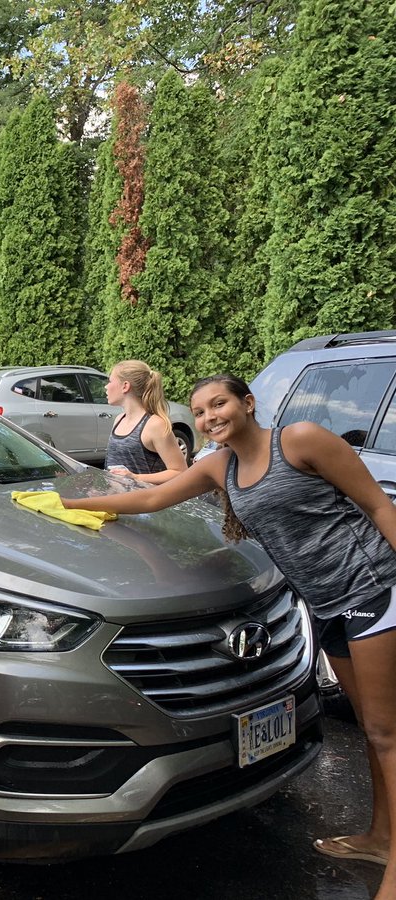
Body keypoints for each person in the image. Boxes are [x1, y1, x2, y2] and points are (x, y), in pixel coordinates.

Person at [62, 374, 396, 896]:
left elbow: (378, 505)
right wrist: (68, 508)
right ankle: (381, 837)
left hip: (372, 589)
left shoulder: (300, 439)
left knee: (384, 732)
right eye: (198, 411)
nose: (208, 417)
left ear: (247, 402)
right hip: (326, 605)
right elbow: (156, 500)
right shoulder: (221, 465)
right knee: (376, 731)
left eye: (218, 404)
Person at [103, 360, 188, 484]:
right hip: (119, 501)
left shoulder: (155, 425)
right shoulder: (119, 419)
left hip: (145, 502)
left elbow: (179, 472)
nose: (106, 386)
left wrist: (136, 478)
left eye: (110, 381)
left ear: (125, 386)